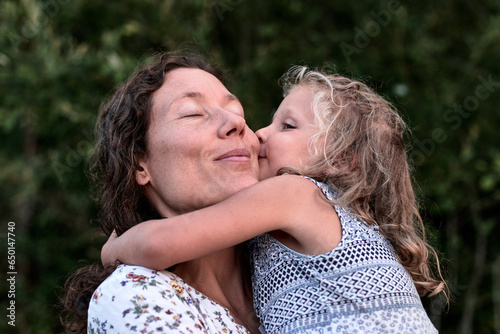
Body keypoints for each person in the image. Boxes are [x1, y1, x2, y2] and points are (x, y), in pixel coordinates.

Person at [102, 66, 448, 333]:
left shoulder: (296, 194)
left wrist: (112, 251)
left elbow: (155, 245)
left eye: (287, 126)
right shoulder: (137, 296)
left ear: (339, 159)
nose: (253, 131)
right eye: (193, 113)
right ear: (140, 162)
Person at [61, 53, 262, 333]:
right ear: (140, 163)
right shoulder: (131, 295)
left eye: (239, 113)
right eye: (193, 113)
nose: (236, 123)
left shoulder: (298, 252)